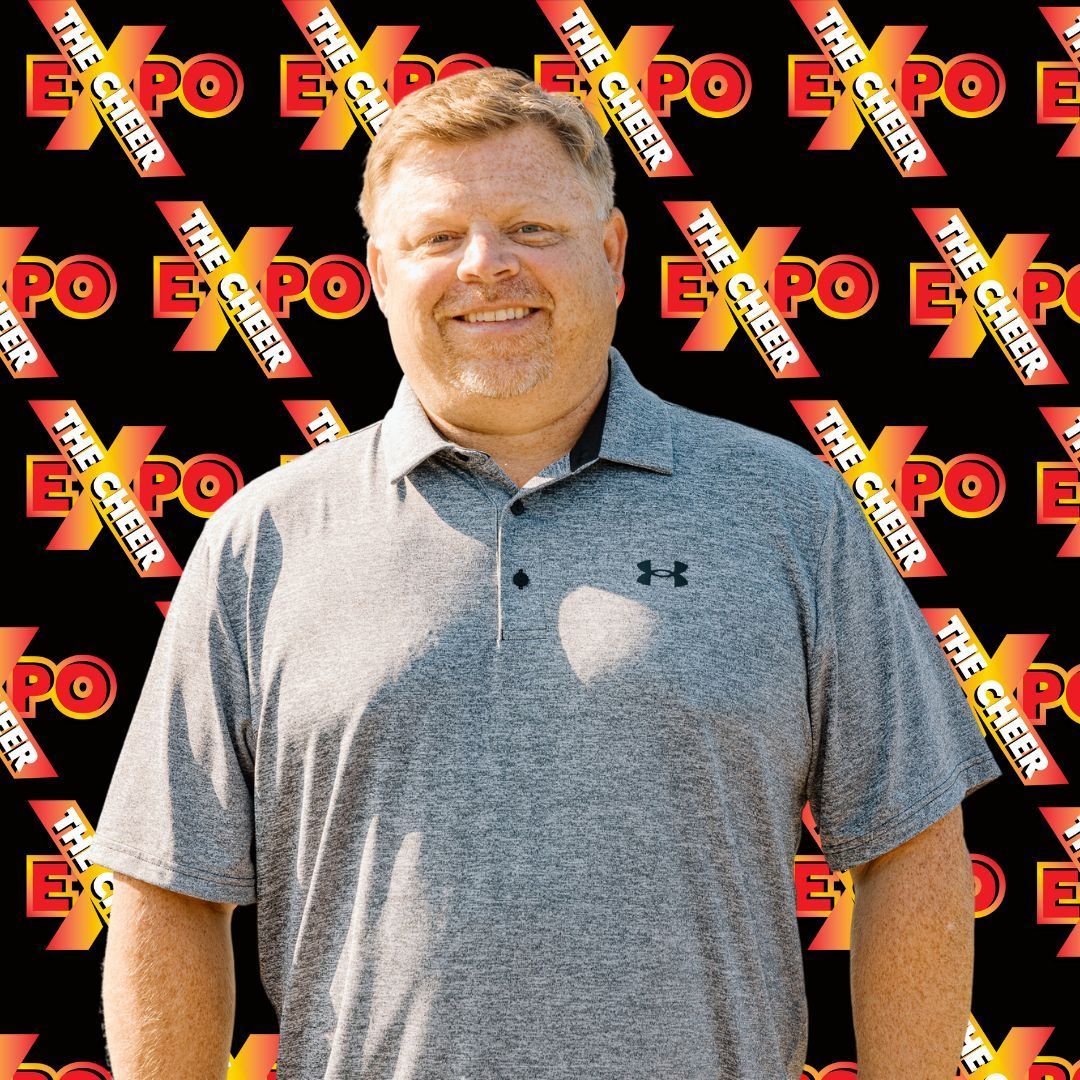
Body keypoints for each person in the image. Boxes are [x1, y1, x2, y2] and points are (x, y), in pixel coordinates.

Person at [94, 66, 1003, 1079]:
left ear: (612, 255)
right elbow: (169, 888)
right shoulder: (262, 542)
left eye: (532, 228)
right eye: (438, 238)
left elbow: (910, 844)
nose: (487, 266)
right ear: (379, 273)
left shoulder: (791, 513)